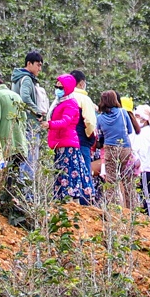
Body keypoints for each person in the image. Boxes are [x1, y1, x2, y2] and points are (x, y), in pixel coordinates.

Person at [48, 75, 99, 206]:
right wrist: (89, 137)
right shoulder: (80, 99)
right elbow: (90, 122)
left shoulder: (64, 102)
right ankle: (81, 202)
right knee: (78, 170)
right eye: (56, 87)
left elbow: (60, 120)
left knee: (69, 171)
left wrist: (50, 125)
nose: (58, 89)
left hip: (69, 141)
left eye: (60, 87)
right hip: (73, 140)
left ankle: (73, 203)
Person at [12, 51, 48, 181]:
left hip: (20, 123)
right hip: (29, 125)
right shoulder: (26, 79)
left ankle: (22, 192)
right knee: (30, 160)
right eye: (38, 65)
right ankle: (28, 196)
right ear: (29, 63)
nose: (39, 68)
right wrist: (37, 111)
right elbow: (25, 98)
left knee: (23, 159)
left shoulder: (17, 78)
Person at [94, 90, 134, 209]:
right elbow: (130, 130)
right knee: (127, 179)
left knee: (111, 179)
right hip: (125, 147)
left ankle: (112, 209)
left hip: (109, 149)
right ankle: (131, 208)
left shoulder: (100, 118)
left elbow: (100, 136)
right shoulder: (123, 113)